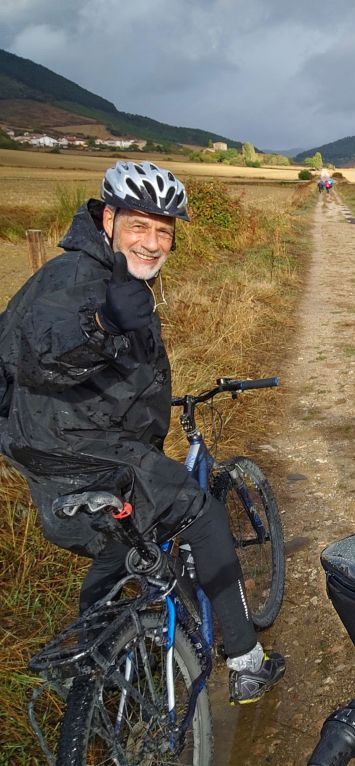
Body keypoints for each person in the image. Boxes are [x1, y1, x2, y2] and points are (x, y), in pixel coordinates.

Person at [0, 161, 285, 704]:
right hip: (81, 450)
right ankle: (247, 662)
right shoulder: (77, 279)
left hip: (68, 448)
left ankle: (88, 661)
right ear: (108, 219)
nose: (152, 243)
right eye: (139, 226)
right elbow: (42, 349)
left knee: (124, 542)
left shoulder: (110, 273)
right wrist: (100, 324)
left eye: (164, 232)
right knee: (199, 513)